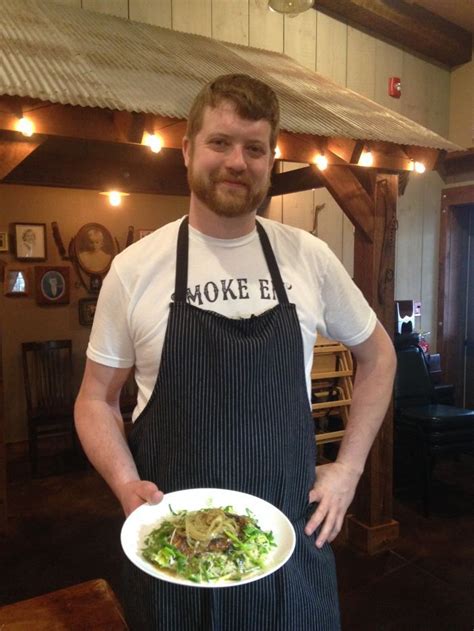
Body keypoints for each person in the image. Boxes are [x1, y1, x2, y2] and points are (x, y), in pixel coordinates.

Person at [74, 74, 396, 630]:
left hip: (287, 547)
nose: (236, 162)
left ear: (270, 159)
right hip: (174, 555)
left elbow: (379, 356)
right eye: (220, 142)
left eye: (254, 148)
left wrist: (348, 469)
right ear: (188, 150)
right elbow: (96, 400)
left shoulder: (308, 257)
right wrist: (126, 485)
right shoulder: (135, 269)